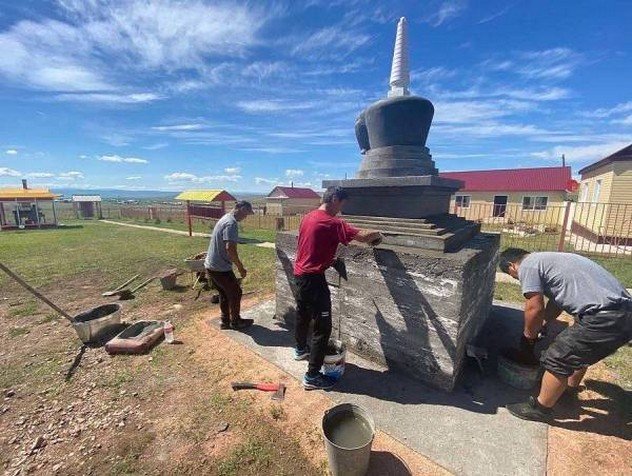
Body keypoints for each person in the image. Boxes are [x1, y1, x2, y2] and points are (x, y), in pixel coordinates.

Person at [499, 248, 631, 422]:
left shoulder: (527, 265)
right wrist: (544, 323)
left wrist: (528, 337)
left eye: (514, 276)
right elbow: (557, 302)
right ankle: (567, 390)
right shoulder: (552, 260)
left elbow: (534, 307)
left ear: (512, 266)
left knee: (557, 358)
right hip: (624, 314)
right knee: (578, 352)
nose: (518, 279)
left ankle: (540, 409)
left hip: (603, 317)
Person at [293, 186, 383, 390]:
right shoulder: (332, 222)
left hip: (300, 275)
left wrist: (329, 260)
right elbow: (362, 236)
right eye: (342, 204)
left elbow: (311, 244)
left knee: (303, 314)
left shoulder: (308, 217)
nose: (341, 209)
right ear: (334, 199)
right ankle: (312, 377)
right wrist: (379, 233)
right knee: (323, 327)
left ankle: (300, 349)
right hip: (314, 280)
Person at [205, 201, 255, 330]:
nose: (245, 217)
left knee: (224, 293)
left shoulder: (225, 218)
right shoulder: (231, 223)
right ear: (240, 208)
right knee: (236, 292)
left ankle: (225, 321)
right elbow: (230, 248)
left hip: (211, 266)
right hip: (220, 268)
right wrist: (240, 267)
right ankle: (236, 322)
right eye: (246, 213)